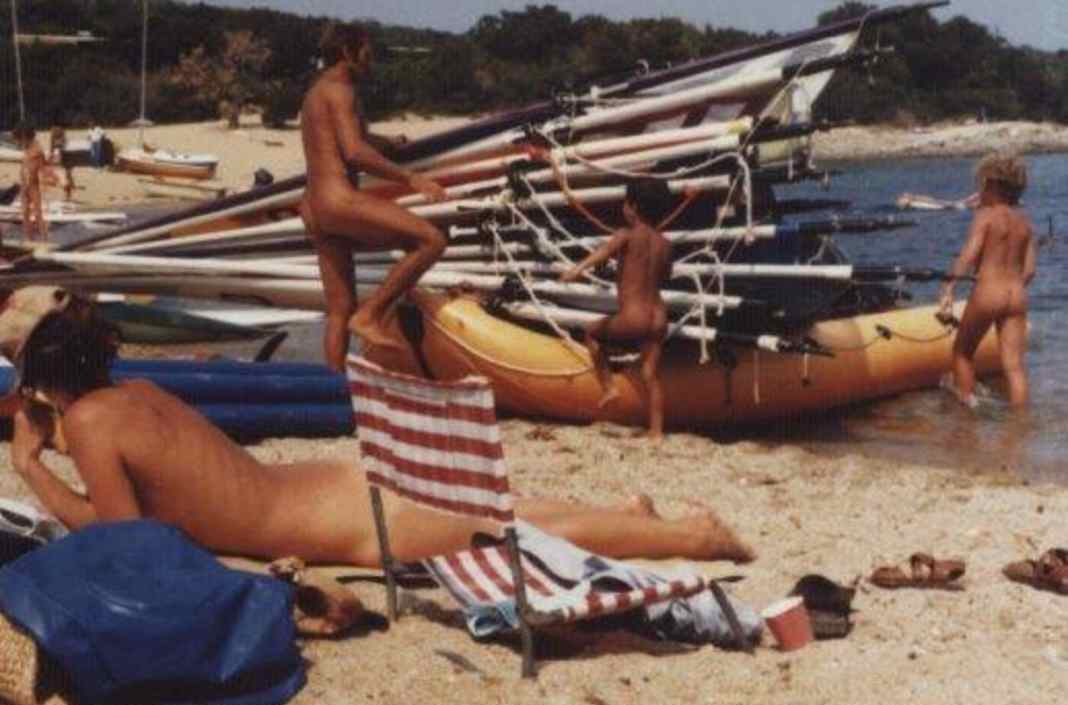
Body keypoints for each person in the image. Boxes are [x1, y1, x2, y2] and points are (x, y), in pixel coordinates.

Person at [1, 286, 756, 567]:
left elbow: (126, 542)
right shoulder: (134, 390)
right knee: (501, 514)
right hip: (326, 487)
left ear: (33, 375)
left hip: (337, 520)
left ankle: (694, 539)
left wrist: (35, 469)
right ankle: (627, 515)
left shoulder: (94, 423)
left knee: (509, 535)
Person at [299, 23, 448, 370]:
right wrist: (412, 177)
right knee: (431, 240)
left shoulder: (317, 92)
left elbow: (351, 138)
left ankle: (334, 394)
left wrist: (389, 143)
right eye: (366, 52)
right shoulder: (342, 90)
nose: (371, 59)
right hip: (340, 200)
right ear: (348, 52)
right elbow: (355, 153)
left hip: (314, 208)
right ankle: (373, 314)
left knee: (339, 311)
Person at [560, 177, 675, 439]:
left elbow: (602, 252)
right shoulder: (665, 244)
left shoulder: (625, 235)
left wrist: (576, 270)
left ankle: (609, 387)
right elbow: (664, 275)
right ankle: (656, 432)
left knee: (591, 332)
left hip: (633, 316)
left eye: (625, 203)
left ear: (632, 206)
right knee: (650, 374)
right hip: (658, 316)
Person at [938, 152, 1035, 407]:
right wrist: (1012, 285)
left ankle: (967, 420)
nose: (978, 191)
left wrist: (948, 287)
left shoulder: (986, 217)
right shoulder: (1025, 223)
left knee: (962, 353)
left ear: (991, 185)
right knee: (1013, 366)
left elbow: (968, 255)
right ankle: (1020, 427)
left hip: (988, 292)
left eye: (980, 185)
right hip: (1016, 295)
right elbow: (1030, 271)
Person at [13, 123, 58, 242]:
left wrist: (51, 178)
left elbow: (44, 167)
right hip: (24, 185)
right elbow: (26, 166)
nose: (18, 144)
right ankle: (29, 238)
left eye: (19, 141)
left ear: (25, 138)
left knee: (38, 213)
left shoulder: (37, 150)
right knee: (25, 213)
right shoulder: (27, 149)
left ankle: (44, 239)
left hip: (33, 185)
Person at [48, 125, 74, 201]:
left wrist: (51, 156)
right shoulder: (59, 139)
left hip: (65, 160)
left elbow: (53, 149)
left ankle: (67, 195)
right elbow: (52, 149)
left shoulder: (61, 140)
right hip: (63, 160)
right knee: (66, 177)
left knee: (66, 177)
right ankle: (67, 194)